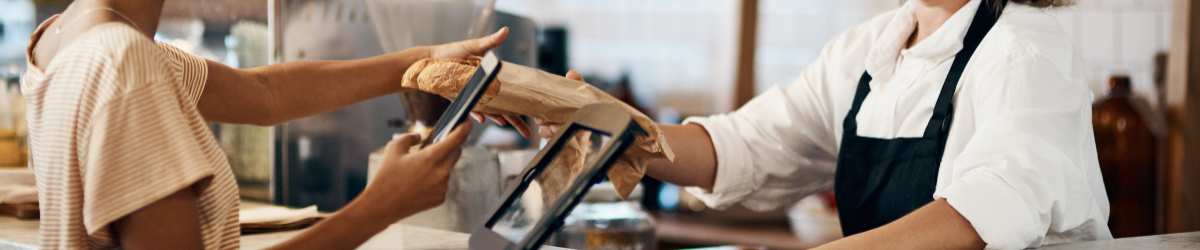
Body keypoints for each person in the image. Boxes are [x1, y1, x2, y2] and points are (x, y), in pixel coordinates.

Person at [498, 0, 1111, 249]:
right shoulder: (871, 49)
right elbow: (748, 145)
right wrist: (609, 122)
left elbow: (983, 212)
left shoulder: (1024, 48)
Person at [22, 0, 508, 249]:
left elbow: (265, 94)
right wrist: (379, 207)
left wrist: (420, 60)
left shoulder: (65, 37)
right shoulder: (122, 61)